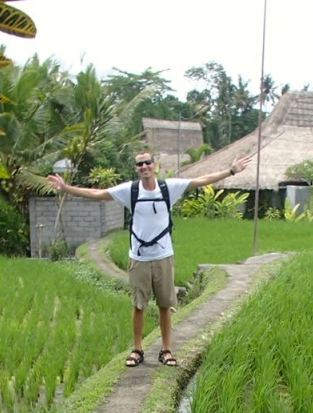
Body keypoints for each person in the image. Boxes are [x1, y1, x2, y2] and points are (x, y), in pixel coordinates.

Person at [47, 150, 252, 367]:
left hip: (163, 256)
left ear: (154, 165)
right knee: (139, 306)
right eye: (139, 164)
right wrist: (66, 188)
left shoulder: (168, 188)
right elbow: (98, 194)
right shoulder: (130, 191)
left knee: (165, 305)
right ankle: (137, 350)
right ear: (136, 168)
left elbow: (200, 181)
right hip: (139, 258)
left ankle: (166, 350)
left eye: (147, 163)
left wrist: (231, 171)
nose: (144, 167)